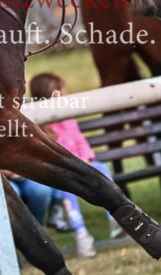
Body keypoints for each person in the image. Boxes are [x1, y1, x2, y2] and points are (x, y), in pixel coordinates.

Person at [29, 72, 123, 240]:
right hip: (62, 170)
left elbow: (80, 140)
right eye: (59, 91)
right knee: (68, 187)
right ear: (44, 96)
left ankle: (115, 219)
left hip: (83, 163)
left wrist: (86, 157)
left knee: (102, 169)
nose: (64, 94)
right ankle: (80, 231)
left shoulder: (68, 118)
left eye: (63, 90)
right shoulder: (40, 126)